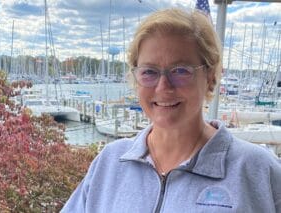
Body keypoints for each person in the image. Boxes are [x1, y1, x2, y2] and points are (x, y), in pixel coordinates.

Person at [61, 8, 281, 213]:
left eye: (180, 70)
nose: (163, 86)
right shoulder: (110, 163)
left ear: (211, 75)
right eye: (149, 72)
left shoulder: (257, 171)